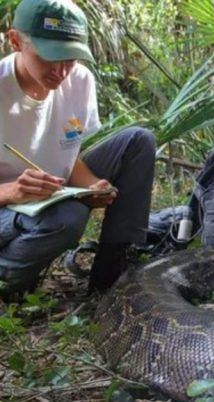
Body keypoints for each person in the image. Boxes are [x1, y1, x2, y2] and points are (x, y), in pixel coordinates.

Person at [0, 0, 156, 299]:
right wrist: (11, 192)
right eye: (49, 56)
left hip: (50, 196)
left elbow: (67, 156)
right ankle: (11, 278)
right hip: (9, 208)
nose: (60, 71)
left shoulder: (80, 80)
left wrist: (92, 186)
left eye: (70, 57)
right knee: (67, 216)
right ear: (16, 41)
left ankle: (111, 273)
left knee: (138, 141)